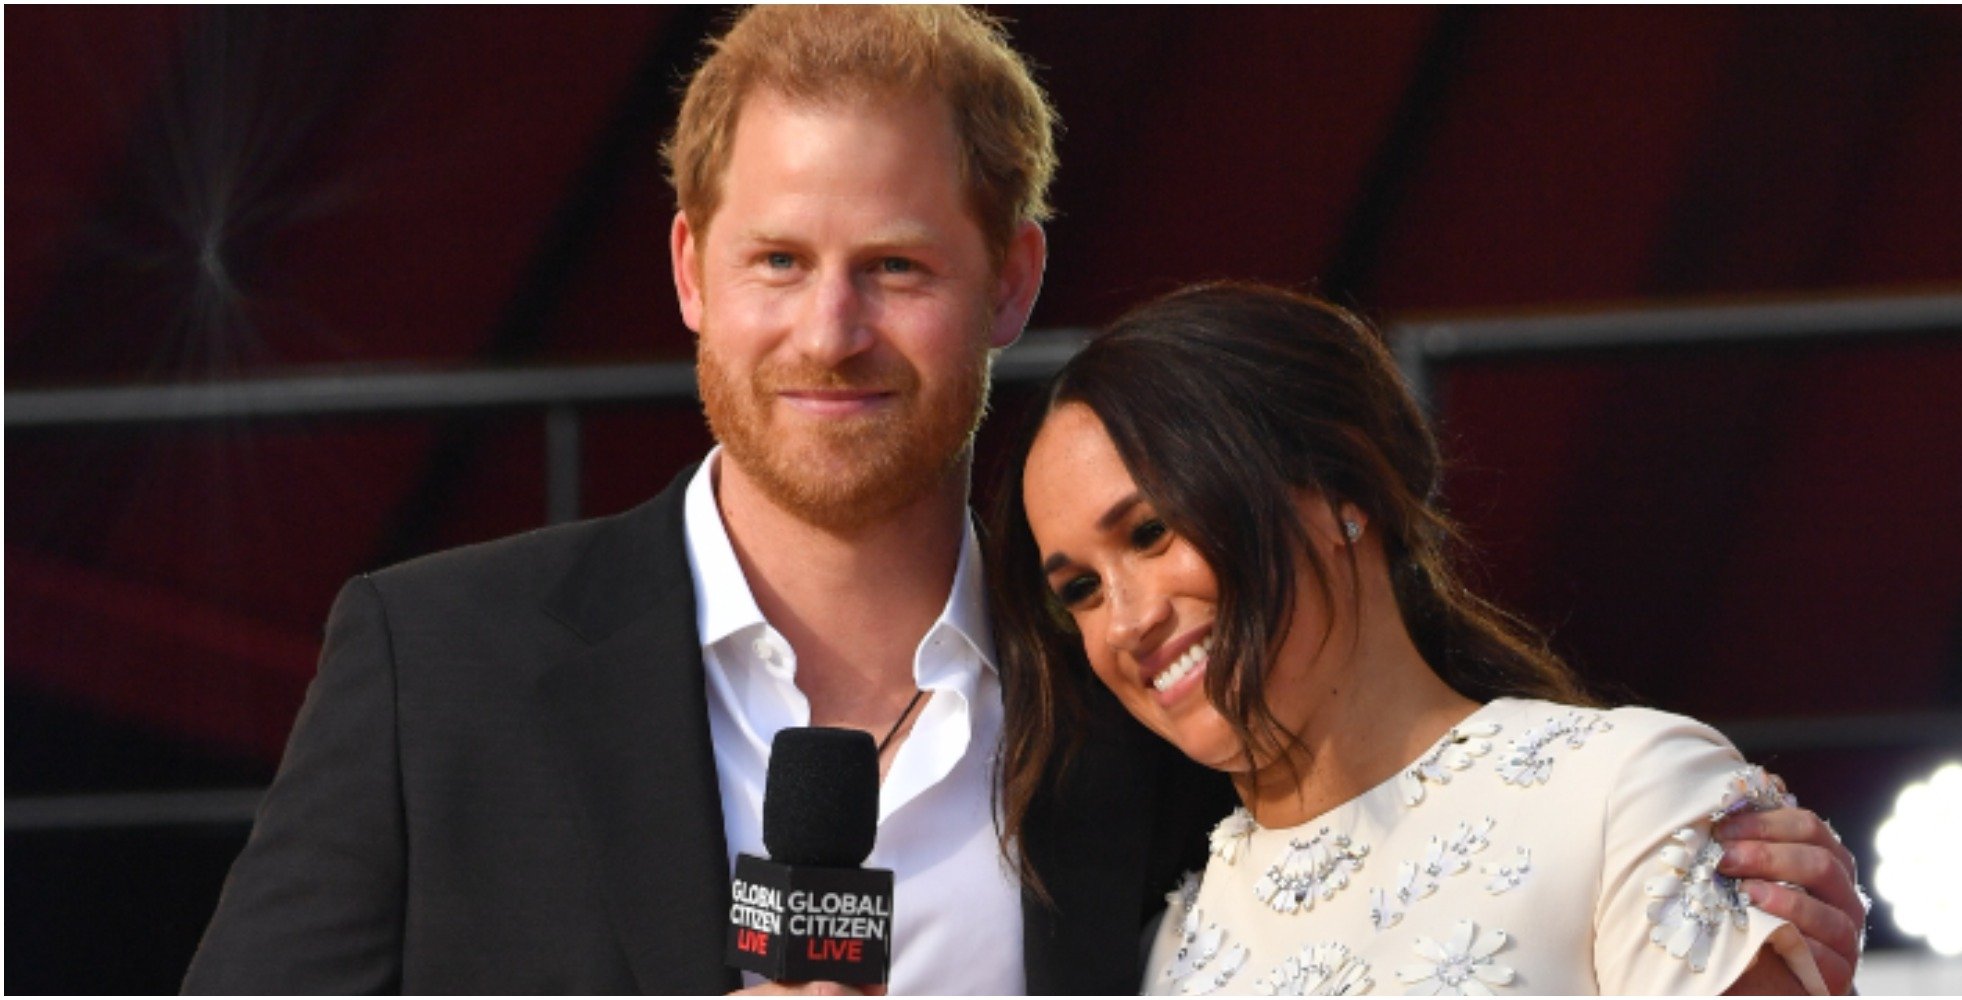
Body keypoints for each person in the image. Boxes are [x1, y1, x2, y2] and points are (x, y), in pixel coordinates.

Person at [185, 7, 1865, 994]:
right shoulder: (437, 660)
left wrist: (1721, 899)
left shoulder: (1149, 687)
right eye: (781, 260)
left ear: (1009, 283)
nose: (829, 332)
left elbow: (1419, 826)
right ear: (695, 271)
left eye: (897, 267)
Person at [990, 282, 1862, 994]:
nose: (1127, 619)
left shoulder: (1627, 799)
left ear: (1337, 490)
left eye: (1150, 534)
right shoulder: (1164, 953)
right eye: (1080, 590)